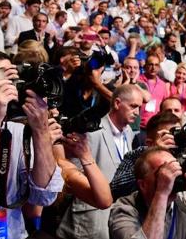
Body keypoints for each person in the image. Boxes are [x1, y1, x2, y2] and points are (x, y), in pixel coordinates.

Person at [0, 59, 64, 238]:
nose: (1, 102)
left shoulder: (16, 133)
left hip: (13, 232)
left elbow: (45, 196)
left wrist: (40, 129)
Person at [57, 84, 142, 239]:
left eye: (139, 108)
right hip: (89, 216)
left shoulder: (129, 133)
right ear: (117, 103)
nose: (137, 112)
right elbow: (72, 172)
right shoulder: (91, 130)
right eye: (133, 106)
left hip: (116, 215)